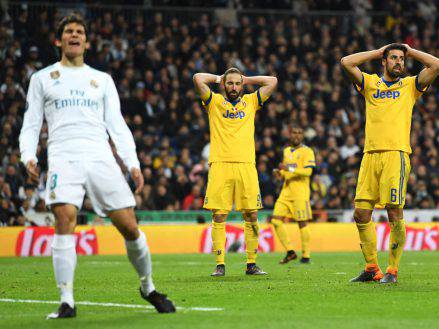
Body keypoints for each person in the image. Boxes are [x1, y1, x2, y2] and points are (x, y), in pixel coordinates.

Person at [19, 14, 175, 319]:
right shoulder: (42, 79)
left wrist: (132, 163)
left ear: (86, 42)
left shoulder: (101, 80)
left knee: (129, 227)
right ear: (59, 40)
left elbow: (117, 125)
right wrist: (29, 156)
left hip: (100, 156)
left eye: (79, 32)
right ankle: (67, 301)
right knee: (64, 218)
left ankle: (148, 287)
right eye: (69, 32)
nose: (74, 36)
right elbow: (31, 123)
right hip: (63, 156)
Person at [341, 43, 439, 283]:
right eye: (394, 58)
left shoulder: (410, 86)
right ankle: (371, 268)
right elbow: (346, 62)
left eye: (401, 59)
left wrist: (410, 50)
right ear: (384, 62)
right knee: (360, 214)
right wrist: (377, 51)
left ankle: (392, 271)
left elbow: (437, 65)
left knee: (394, 211)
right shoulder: (369, 83)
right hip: (370, 155)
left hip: (395, 155)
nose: (399, 62)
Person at [193, 68, 277, 276]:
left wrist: (246, 79)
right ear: (224, 85)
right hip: (220, 164)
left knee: (252, 214)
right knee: (219, 215)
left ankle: (251, 263)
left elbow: (272, 81)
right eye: (229, 83)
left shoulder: (251, 101)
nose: (233, 87)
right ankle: (220, 264)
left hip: (246, 164)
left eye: (237, 84)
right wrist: (218, 78)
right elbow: (198, 78)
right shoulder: (214, 102)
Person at [271, 125, 316, 264]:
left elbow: (308, 172)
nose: (296, 135)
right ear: (290, 135)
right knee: (275, 221)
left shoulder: (307, 151)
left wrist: (288, 168)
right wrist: (279, 174)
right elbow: (285, 172)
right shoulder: (286, 151)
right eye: (294, 133)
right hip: (285, 192)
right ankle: (290, 251)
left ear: (302, 135)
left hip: (300, 194)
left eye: (299, 133)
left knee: (302, 223)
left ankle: (306, 255)